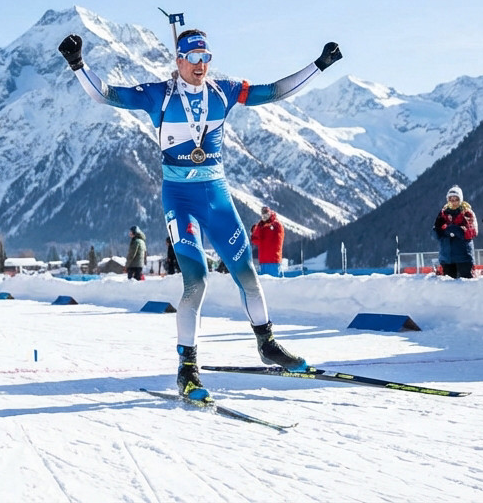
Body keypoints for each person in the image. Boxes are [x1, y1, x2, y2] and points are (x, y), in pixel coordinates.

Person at [59, 27, 342, 400]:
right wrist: (78, 64)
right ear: (178, 60)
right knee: (197, 280)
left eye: (205, 58)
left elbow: (274, 92)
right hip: (179, 198)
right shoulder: (157, 94)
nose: (200, 65)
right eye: (192, 58)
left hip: (216, 196)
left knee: (248, 276)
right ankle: (188, 368)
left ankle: (267, 343)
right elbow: (106, 95)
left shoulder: (224, 92)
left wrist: (319, 65)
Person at [433, 186, 478, 279]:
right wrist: (452, 230)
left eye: (456, 199)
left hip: (463, 257)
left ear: (460, 200)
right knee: (449, 289)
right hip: (446, 258)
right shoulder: (443, 213)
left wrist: (450, 229)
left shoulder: (467, 213)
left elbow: (471, 232)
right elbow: (436, 232)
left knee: (466, 285)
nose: (453, 202)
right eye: (451, 199)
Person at [250, 206, 285, 277]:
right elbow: (255, 240)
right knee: (266, 284)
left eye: (267, 214)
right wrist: (259, 227)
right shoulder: (262, 227)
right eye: (263, 215)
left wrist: (261, 226)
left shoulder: (276, 225)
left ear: (270, 213)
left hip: (273, 260)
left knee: (275, 284)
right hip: (263, 260)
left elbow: (277, 235)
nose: (265, 217)